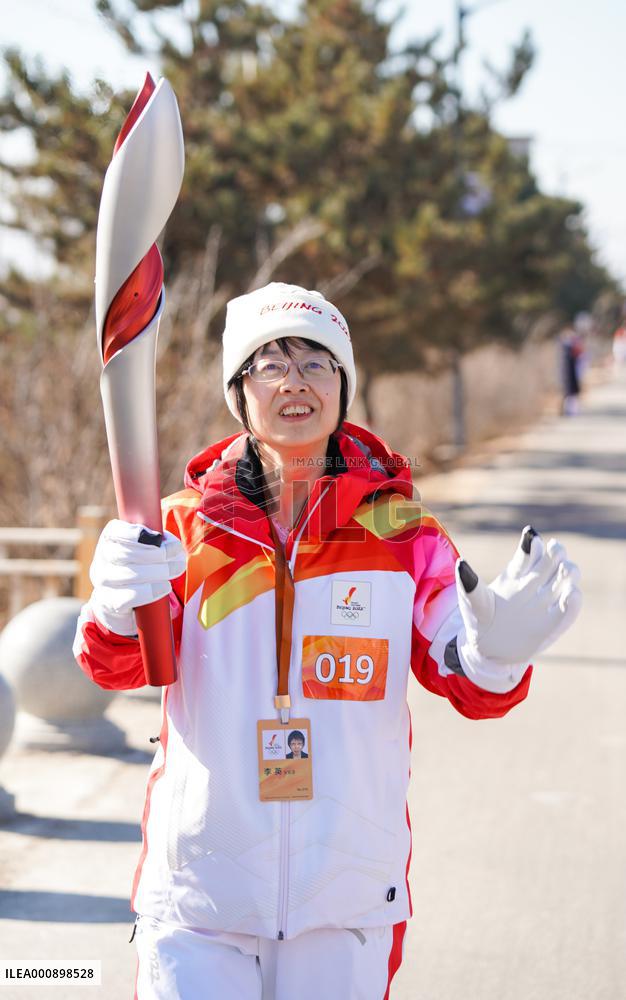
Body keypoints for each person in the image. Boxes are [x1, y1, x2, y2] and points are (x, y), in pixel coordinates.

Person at [74, 282, 581, 1000]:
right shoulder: (184, 527)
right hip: (200, 892)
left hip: (344, 894)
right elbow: (116, 666)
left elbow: (463, 676)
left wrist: (497, 657)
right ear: (238, 391)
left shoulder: (399, 528)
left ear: (344, 386)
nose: (294, 381)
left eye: (316, 363)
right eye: (269, 363)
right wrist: (117, 605)